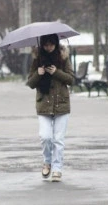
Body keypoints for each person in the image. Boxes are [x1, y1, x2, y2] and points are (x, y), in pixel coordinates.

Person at [26, 34, 74, 182]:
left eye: (51, 44)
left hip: (61, 103)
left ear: (55, 44)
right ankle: (47, 162)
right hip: (44, 104)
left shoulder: (63, 57)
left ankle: (57, 169)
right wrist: (38, 74)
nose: (49, 48)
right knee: (46, 137)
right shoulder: (37, 59)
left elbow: (71, 79)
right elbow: (30, 83)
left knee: (58, 139)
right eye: (46, 45)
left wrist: (56, 72)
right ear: (42, 45)